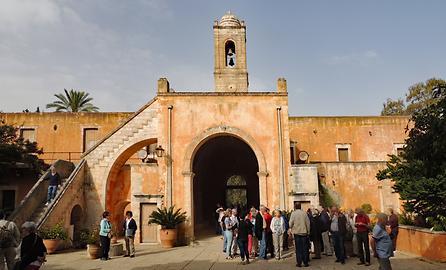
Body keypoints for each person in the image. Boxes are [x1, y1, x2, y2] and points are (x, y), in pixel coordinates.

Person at [289, 202, 310, 267]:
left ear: (295, 207)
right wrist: (308, 232)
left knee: (298, 248)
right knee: (305, 248)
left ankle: (299, 262)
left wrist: (291, 227)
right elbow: (308, 223)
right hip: (304, 232)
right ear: (300, 206)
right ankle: (305, 262)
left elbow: (290, 223)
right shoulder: (304, 213)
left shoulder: (293, 214)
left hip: (297, 232)